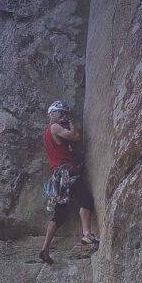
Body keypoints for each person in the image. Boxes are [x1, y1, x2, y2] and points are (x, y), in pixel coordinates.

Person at [39, 100, 99, 264]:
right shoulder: (55, 127)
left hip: (57, 176)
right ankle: (86, 234)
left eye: (64, 114)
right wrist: (71, 122)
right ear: (52, 114)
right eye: (60, 113)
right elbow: (75, 136)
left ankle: (45, 248)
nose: (62, 116)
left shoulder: (46, 133)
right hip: (67, 173)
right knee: (85, 200)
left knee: (60, 214)